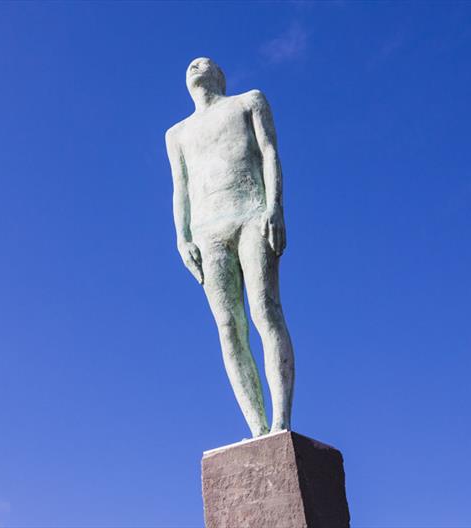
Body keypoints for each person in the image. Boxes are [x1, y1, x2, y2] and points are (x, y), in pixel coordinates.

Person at [165, 57, 295, 437]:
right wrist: (182, 238)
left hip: (251, 213)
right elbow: (180, 187)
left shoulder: (248, 101)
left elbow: (269, 152)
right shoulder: (177, 134)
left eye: (205, 63)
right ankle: (257, 429)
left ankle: (281, 420)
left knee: (265, 309)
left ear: (220, 76)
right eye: (190, 64)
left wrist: (275, 207)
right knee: (227, 326)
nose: (196, 64)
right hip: (207, 231)